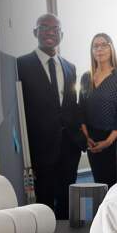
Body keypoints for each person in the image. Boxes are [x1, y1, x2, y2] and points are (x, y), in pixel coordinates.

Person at [17, 14, 86, 219]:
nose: (50, 32)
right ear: (35, 32)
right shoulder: (21, 65)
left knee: (67, 202)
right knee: (44, 203)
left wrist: (81, 137)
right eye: (44, 27)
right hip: (40, 148)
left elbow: (71, 106)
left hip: (68, 148)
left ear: (61, 35)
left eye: (55, 29)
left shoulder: (69, 67)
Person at [79, 33, 117, 188]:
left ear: (111, 48)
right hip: (92, 140)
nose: (99, 49)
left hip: (114, 139)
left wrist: (108, 142)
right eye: (96, 46)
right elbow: (80, 109)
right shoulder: (86, 78)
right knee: (99, 184)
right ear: (91, 50)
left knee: (114, 186)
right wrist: (86, 137)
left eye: (104, 45)